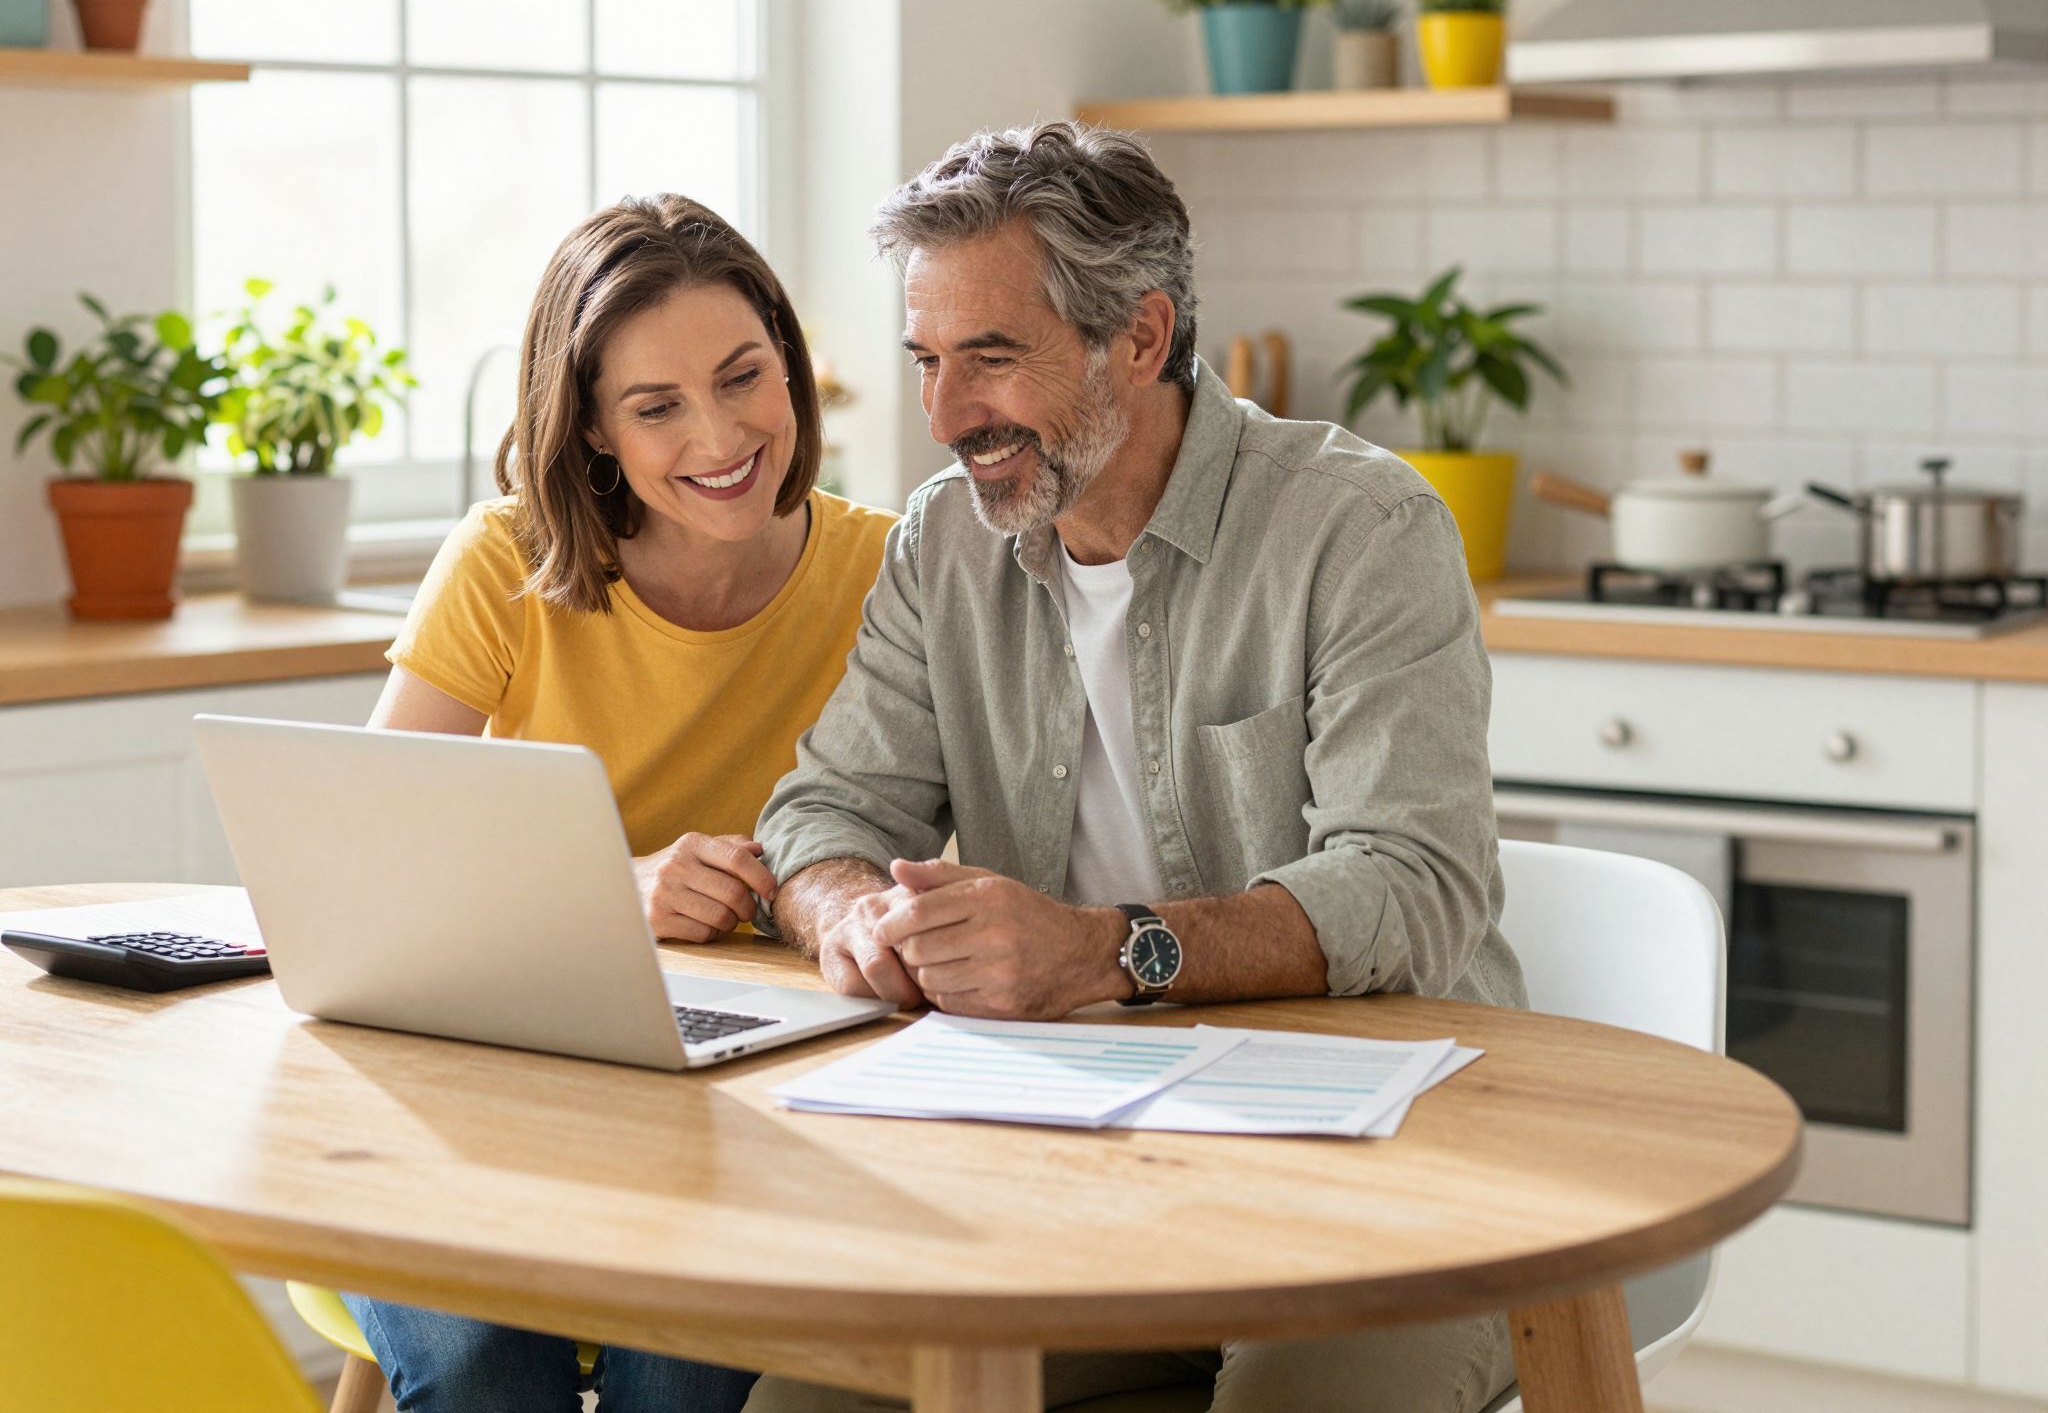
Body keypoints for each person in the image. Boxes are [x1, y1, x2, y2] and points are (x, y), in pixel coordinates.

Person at [743, 123, 1527, 1413]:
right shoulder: (942, 546)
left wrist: (1105, 952)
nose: (943, 416)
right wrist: (848, 918)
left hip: (1396, 1173)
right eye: (926, 361)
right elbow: (826, 808)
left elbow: (1411, 885)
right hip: (1079, 1164)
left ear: (1142, 338)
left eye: (989, 360)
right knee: (805, 1404)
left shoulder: (1361, 528)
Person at [342, 193, 897, 1413]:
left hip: (746, 1094)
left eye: (744, 377)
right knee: (482, 1367)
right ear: (591, 431)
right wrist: (614, 886)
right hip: (491, 1069)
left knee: (679, 1375)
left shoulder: (882, 570)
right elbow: (362, 867)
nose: (720, 433)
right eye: (656, 407)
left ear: (791, 375)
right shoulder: (506, 564)